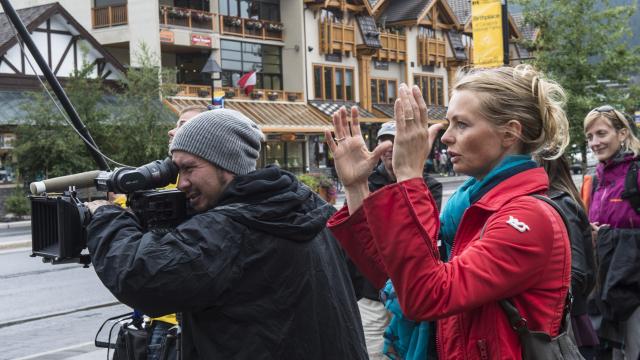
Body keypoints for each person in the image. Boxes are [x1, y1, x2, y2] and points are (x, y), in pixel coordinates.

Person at [325, 65, 573, 359]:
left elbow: (427, 295)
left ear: (510, 133)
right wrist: (356, 187)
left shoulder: (529, 219)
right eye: (449, 123)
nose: (446, 137)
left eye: (462, 124)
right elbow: (398, 277)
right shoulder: (468, 207)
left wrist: (408, 175)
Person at [85, 109, 368, 359]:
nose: (181, 183)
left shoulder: (227, 229)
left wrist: (106, 217)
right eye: (176, 169)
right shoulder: (308, 204)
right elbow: (359, 277)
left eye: (188, 168)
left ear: (227, 164)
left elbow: (140, 276)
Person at [353, 121, 442, 359]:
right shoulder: (366, 182)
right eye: (385, 141)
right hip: (371, 293)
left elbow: (421, 236)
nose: (390, 147)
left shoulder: (428, 186)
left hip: (408, 293)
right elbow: (359, 235)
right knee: (371, 353)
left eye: (396, 140)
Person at [582, 105, 640, 360]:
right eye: (590, 136)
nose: (595, 142)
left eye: (602, 134)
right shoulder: (596, 178)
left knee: (633, 348)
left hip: (633, 281)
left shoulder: (636, 172)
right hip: (606, 279)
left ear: (623, 134)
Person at [537, 154, 598, 358]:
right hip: (566, 318)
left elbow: (577, 272)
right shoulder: (556, 200)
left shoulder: (559, 203)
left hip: (569, 324)